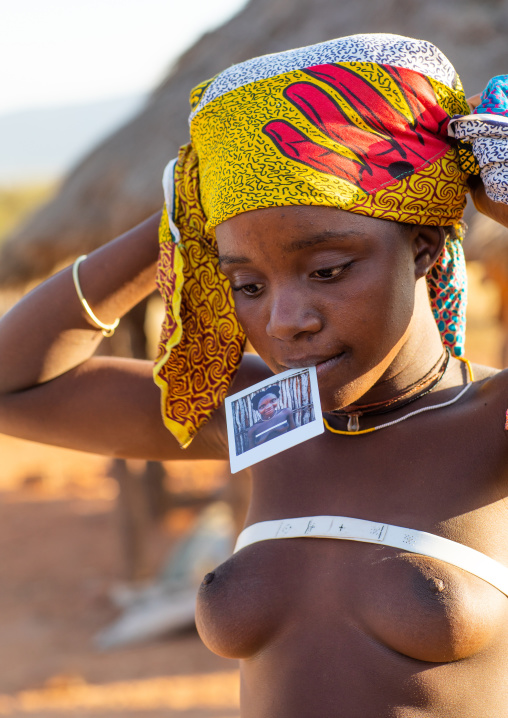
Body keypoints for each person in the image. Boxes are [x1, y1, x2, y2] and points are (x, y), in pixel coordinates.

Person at [1, 33, 508, 716]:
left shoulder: (491, 429)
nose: (286, 319)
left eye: (327, 271)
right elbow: (14, 386)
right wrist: (181, 218)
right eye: (247, 283)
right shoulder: (271, 418)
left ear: (421, 246)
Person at [246, 385, 296, 450]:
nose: (269, 407)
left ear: (277, 399)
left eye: (272, 401)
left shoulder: (286, 413)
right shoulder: (253, 430)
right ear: (258, 410)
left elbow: (294, 435)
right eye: (262, 406)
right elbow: (252, 453)